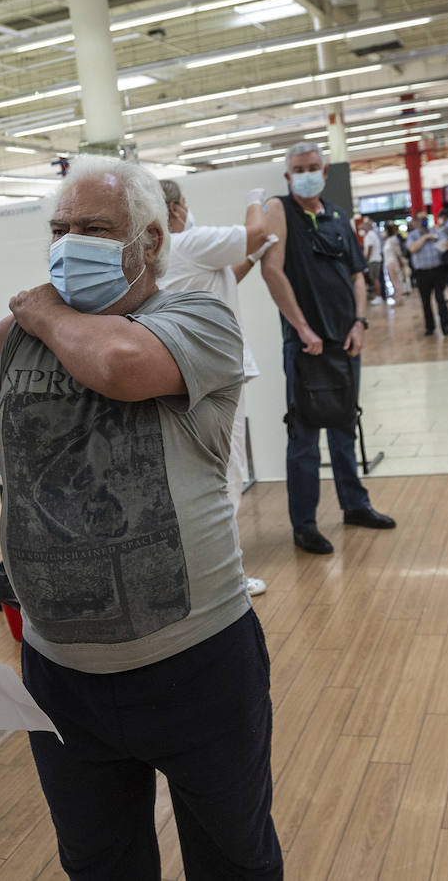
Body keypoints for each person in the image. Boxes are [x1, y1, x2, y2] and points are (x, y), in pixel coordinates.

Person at [0, 155, 283, 881]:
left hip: (199, 663)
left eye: (93, 228)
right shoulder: (2, 349)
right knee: (99, 864)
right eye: (59, 228)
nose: (68, 244)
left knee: (234, 859)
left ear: (150, 243)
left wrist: (49, 313)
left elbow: (120, 365)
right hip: (62, 676)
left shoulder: (197, 317)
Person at [258, 141, 395, 555]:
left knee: (343, 426)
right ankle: (304, 524)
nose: (307, 173)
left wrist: (360, 322)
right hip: (304, 348)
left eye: (314, 166)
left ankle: (355, 505)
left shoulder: (337, 215)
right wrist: (301, 327)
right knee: (303, 436)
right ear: (287, 176)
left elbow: (356, 275)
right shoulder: (278, 210)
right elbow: (271, 270)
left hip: (344, 342)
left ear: (326, 170)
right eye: (299, 168)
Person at [159, 178, 273, 595]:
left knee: (204, 473)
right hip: (218, 377)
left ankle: (201, 570)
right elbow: (257, 230)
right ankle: (226, 576)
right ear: (173, 209)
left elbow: (220, 280)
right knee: (227, 472)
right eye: (185, 203)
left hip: (193, 373)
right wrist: (255, 197)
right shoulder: (188, 243)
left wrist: (253, 258)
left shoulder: (165, 256)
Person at [407, 215, 448, 336]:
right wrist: (425, 237)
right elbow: (412, 249)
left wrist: (447, 245)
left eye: (425, 218)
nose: (424, 221)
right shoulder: (413, 236)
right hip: (422, 273)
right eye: (421, 218)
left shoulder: (437, 232)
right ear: (415, 221)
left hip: (437, 270)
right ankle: (430, 327)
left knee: (440, 298)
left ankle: (446, 325)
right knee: (425, 301)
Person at [382, 221, 408, 304]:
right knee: (393, 281)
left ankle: (399, 298)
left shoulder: (393, 239)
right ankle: (398, 297)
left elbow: (398, 252)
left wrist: (401, 261)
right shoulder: (388, 240)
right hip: (389, 263)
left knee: (396, 281)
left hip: (393, 262)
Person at [361, 217, 386, 303]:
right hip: (375, 259)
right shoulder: (370, 234)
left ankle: (379, 296)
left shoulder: (370, 234)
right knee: (375, 278)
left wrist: (366, 259)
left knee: (375, 279)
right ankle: (379, 296)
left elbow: (370, 248)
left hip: (373, 260)